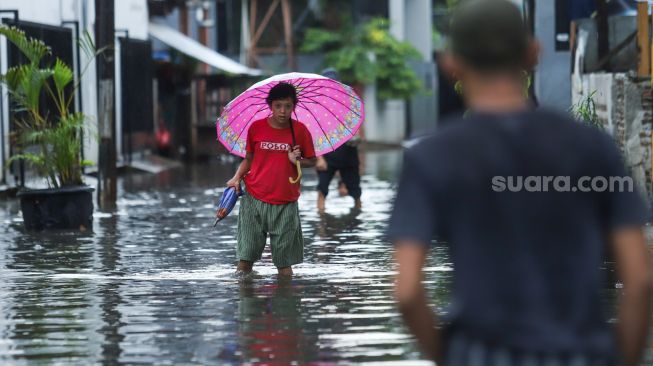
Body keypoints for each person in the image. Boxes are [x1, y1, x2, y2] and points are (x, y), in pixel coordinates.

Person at [388, 1, 652, 365]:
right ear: (533, 54)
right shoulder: (593, 146)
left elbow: (406, 292)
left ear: (451, 65)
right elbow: (639, 280)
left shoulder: (431, 157)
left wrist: (449, 356)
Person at [225, 82, 316, 277]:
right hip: (254, 199)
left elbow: (312, 161)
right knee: (245, 260)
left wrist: (297, 159)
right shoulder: (256, 128)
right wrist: (236, 178)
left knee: (284, 265)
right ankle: (247, 301)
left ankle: (285, 304)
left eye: (288, 106)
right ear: (270, 105)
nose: (283, 111)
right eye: (278, 106)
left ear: (294, 106)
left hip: (286, 202)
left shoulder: (300, 131)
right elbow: (248, 160)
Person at [316, 69, 363, 211]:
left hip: (349, 151)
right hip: (327, 154)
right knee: (322, 189)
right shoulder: (318, 108)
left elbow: (357, 129)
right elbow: (314, 134)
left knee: (355, 191)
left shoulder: (348, 103)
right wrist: (319, 158)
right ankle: (322, 223)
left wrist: (357, 137)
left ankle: (357, 216)